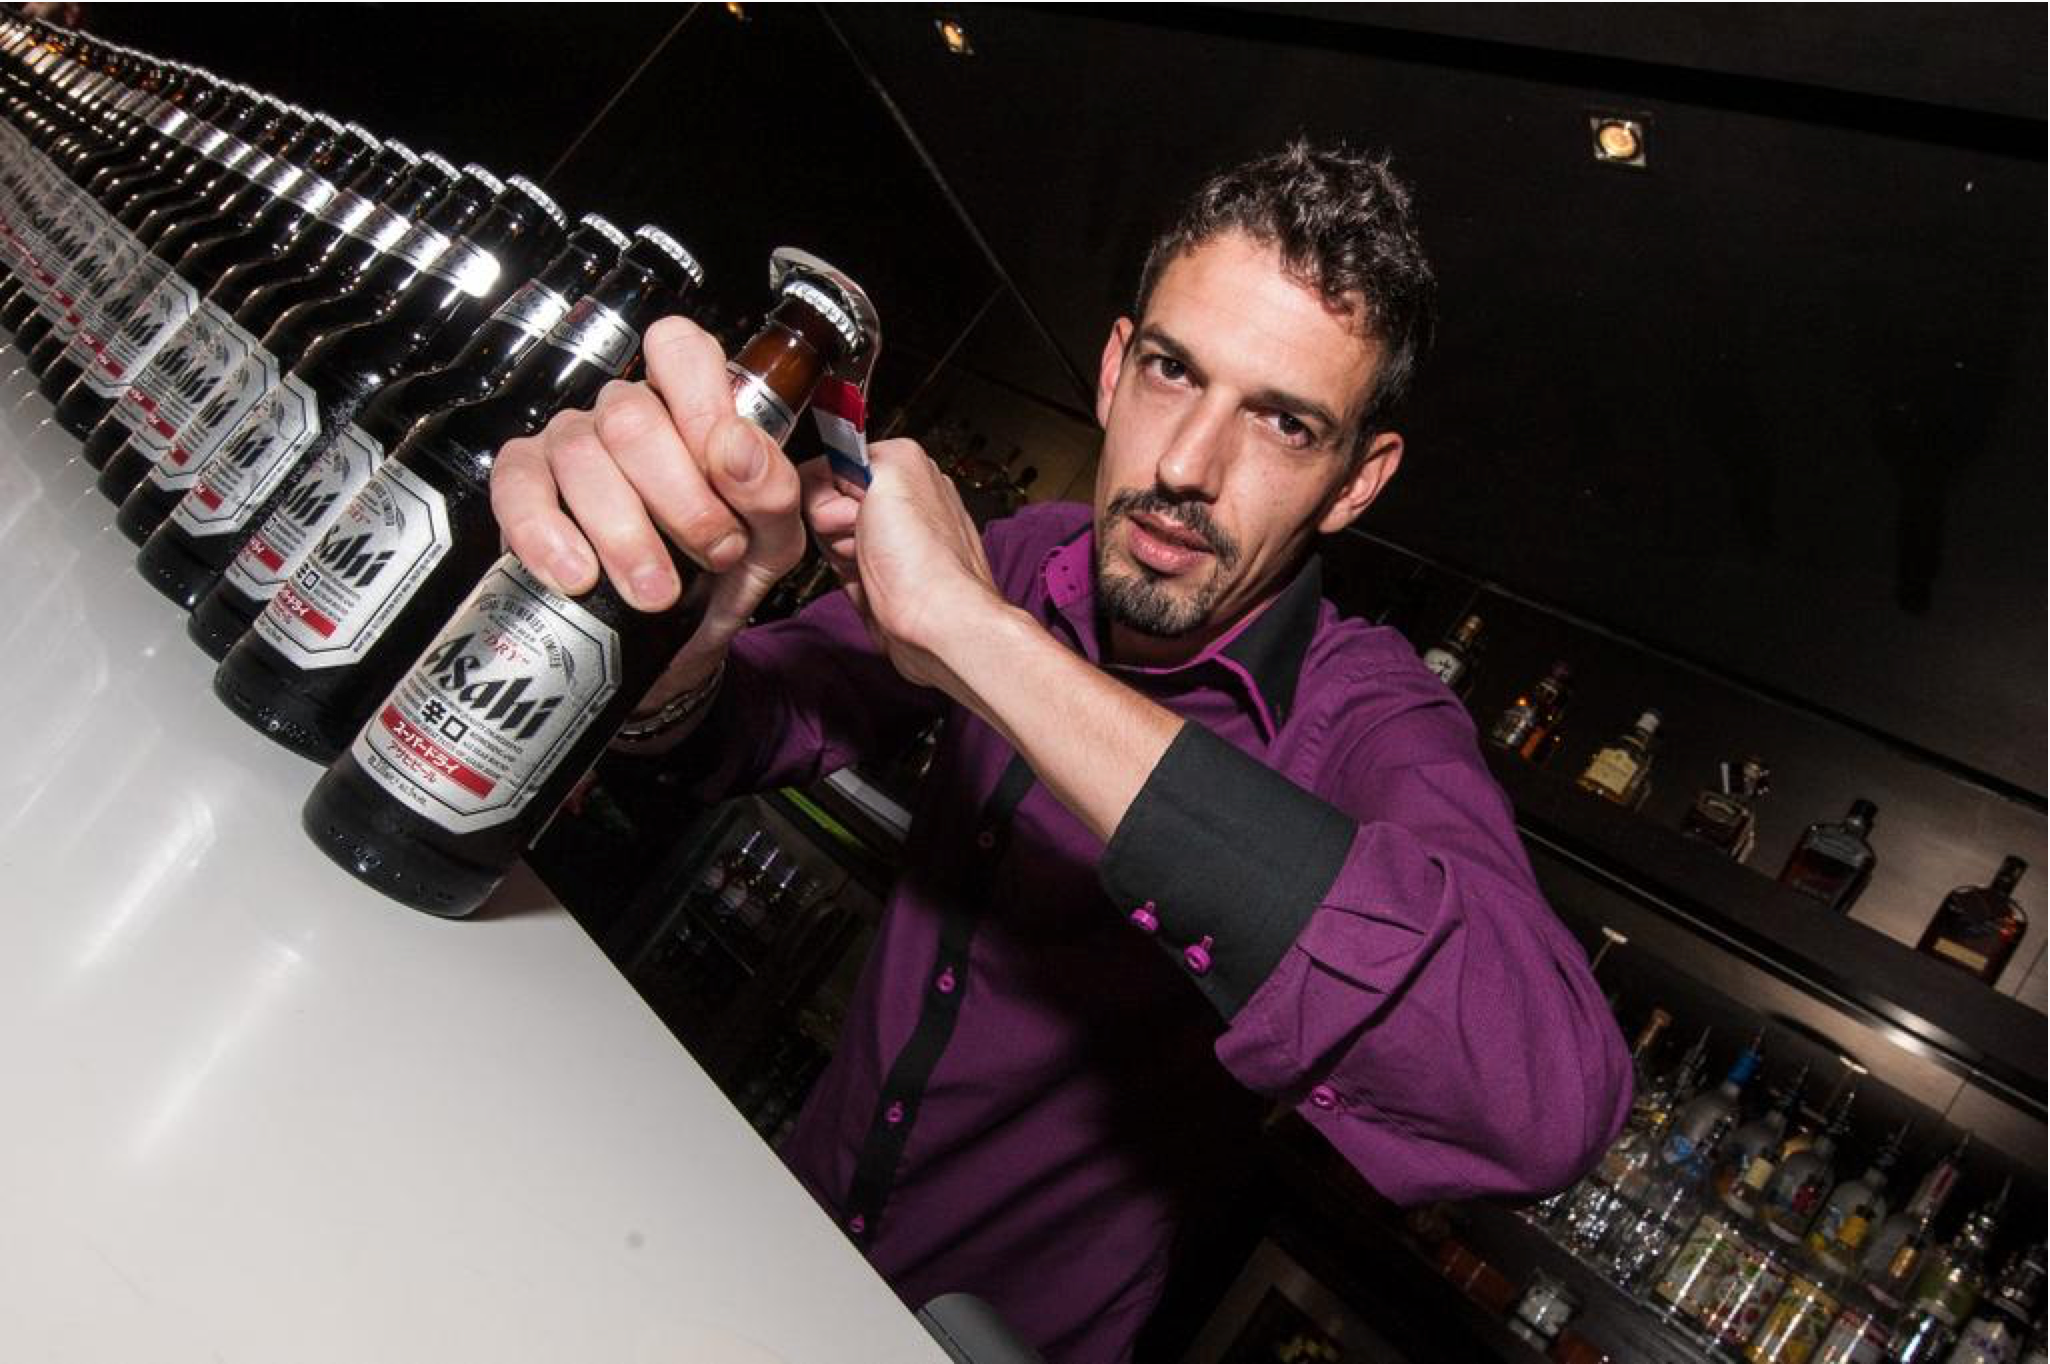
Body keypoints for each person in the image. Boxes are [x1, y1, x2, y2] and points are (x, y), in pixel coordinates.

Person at [492, 141, 1633, 1364]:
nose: (1186, 467)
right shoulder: (1028, 553)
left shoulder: (1371, 715)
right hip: (774, 1237)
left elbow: (1543, 1104)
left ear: (1356, 482)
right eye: (1171, 371)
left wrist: (979, 638)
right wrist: (678, 629)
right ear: (1111, 366)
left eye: (1284, 423)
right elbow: (746, 722)